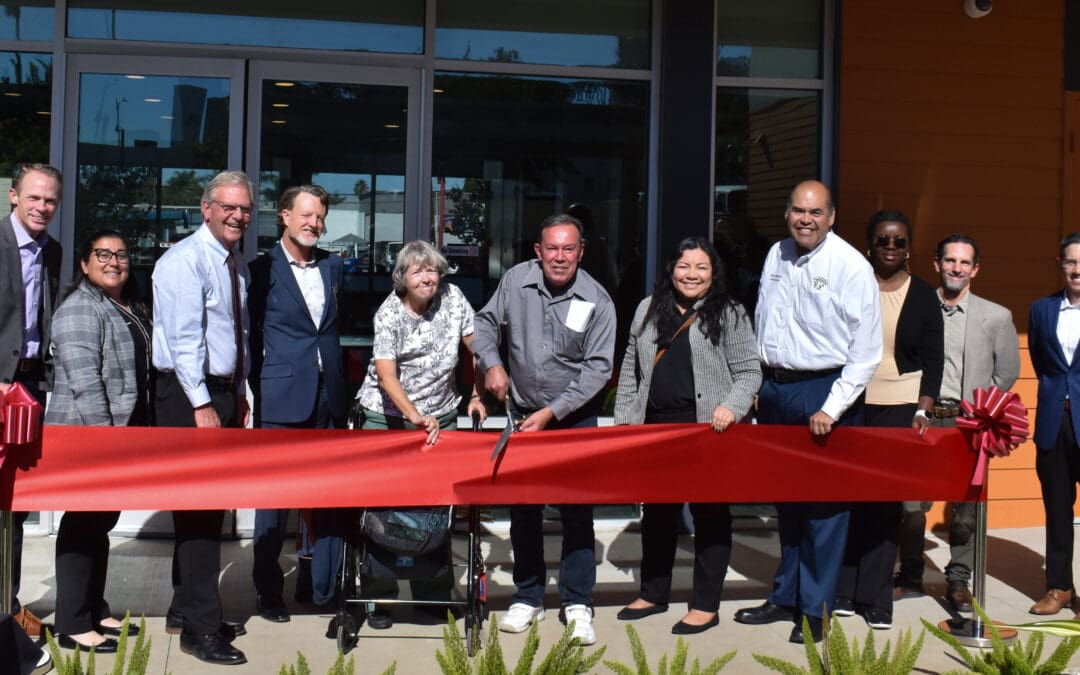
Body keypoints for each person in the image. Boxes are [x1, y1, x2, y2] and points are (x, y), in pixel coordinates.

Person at [734, 180, 882, 644]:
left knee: (824, 508)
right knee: (787, 504)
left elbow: (866, 352)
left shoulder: (851, 266)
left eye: (816, 212)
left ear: (832, 217)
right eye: (798, 210)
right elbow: (765, 317)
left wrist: (833, 407)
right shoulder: (776, 253)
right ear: (786, 214)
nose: (806, 219)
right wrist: (759, 383)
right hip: (777, 390)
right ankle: (785, 596)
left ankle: (816, 610)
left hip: (824, 392)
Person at [472, 213, 616, 646]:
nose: (559, 257)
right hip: (521, 412)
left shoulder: (598, 299)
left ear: (581, 252)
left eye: (568, 249)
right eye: (551, 248)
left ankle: (577, 603)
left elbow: (599, 369)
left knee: (576, 513)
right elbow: (483, 324)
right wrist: (492, 364)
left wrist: (553, 412)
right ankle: (528, 596)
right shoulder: (516, 281)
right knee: (524, 510)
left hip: (573, 418)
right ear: (538, 251)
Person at [613, 236, 761, 635]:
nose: (691, 275)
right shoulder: (647, 309)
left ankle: (706, 605)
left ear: (714, 274)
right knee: (658, 515)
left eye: (701, 268)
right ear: (671, 269)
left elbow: (750, 371)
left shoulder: (728, 313)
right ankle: (653, 592)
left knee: (709, 516)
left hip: (708, 430)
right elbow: (631, 368)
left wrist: (731, 406)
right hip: (657, 430)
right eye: (684, 266)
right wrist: (625, 422)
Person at [354, 239, 486, 628]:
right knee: (384, 507)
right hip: (388, 416)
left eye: (432, 270)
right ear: (402, 278)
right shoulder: (389, 313)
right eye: (417, 271)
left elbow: (475, 348)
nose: (427, 277)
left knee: (436, 503)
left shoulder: (454, 297)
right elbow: (385, 374)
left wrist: (477, 392)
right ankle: (378, 597)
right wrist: (413, 415)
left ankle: (433, 592)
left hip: (442, 413)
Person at [152, 170, 252, 666]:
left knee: (208, 511)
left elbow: (236, 333)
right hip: (191, 396)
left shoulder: (233, 263)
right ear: (205, 207)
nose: (238, 216)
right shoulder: (184, 261)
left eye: (245, 208)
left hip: (220, 392)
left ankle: (185, 608)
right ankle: (200, 628)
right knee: (197, 512)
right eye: (229, 206)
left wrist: (239, 390)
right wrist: (202, 403)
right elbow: (186, 338)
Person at [893, 234, 1019, 613]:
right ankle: (911, 574)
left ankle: (960, 580)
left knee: (966, 508)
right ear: (937, 263)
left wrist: (982, 411)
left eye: (965, 263)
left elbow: (1007, 373)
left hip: (969, 424)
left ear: (975, 269)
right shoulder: (915, 306)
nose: (956, 269)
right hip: (924, 420)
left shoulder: (996, 317)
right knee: (912, 505)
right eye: (950, 261)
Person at [834, 211, 943, 630]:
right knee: (849, 500)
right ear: (870, 245)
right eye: (883, 240)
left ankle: (876, 598)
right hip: (854, 402)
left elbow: (934, 359)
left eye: (898, 242)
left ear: (909, 247)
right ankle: (844, 589)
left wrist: (923, 407)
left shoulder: (923, 295)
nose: (891, 248)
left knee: (884, 504)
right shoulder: (852, 286)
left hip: (900, 406)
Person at [45, 231, 150, 653]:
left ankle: (93, 606)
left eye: (121, 255)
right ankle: (71, 622)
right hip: (90, 434)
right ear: (85, 264)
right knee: (81, 523)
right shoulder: (79, 309)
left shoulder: (123, 305)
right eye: (102, 254)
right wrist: (105, 440)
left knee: (99, 523)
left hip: (118, 433)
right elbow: (85, 382)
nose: (113, 261)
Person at [248, 185, 347, 624]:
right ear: (284, 217)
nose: (315, 224)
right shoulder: (260, 269)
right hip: (281, 398)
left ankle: (320, 585)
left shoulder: (334, 266)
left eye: (320, 217)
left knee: (326, 497)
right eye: (306, 215)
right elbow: (250, 337)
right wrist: (254, 392)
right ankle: (269, 593)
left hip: (330, 397)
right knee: (274, 502)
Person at [0, 163, 62, 641]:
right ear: (13, 198)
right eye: (35, 198)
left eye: (51, 201)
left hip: (29, 389)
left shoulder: (53, 251)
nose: (43, 207)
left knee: (14, 503)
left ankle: (9, 602)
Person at [1022, 233, 1080, 617]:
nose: (1078, 270)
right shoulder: (1041, 310)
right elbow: (1044, 364)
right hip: (1053, 424)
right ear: (1060, 265)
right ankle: (1059, 587)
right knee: (1057, 510)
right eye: (1071, 262)